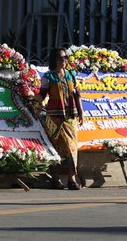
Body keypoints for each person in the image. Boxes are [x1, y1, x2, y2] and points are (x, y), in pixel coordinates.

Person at [26, 47, 85, 190]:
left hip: (70, 118)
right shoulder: (48, 77)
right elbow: (42, 97)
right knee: (56, 149)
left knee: (71, 148)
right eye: (60, 58)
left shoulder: (71, 75)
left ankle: (72, 179)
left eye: (65, 58)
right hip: (54, 118)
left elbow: (77, 95)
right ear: (54, 60)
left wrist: (81, 113)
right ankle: (56, 179)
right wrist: (32, 95)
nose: (64, 60)